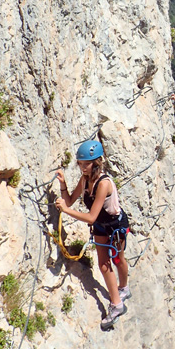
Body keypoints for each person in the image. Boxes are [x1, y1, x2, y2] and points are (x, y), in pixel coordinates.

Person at [55, 140, 131, 330]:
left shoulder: (103, 183)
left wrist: (64, 210)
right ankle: (117, 304)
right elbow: (70, 201)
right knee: (104, 265)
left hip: (114, 226)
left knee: (118, 260)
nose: (82, 168)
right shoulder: (85, 179)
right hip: (100, 225)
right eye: (80, 164)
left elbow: (90, 216)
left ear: (96, 162)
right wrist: (63, 185)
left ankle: (124, 288)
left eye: (86, 164)